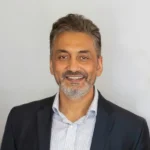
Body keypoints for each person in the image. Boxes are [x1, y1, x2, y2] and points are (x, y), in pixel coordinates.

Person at [1, 13, 150, 150]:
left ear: (99, 65)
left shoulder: (133, 130)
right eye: (63, 57)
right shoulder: (19, 121)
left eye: (83, 57)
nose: (73, 67)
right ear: (51, 65)